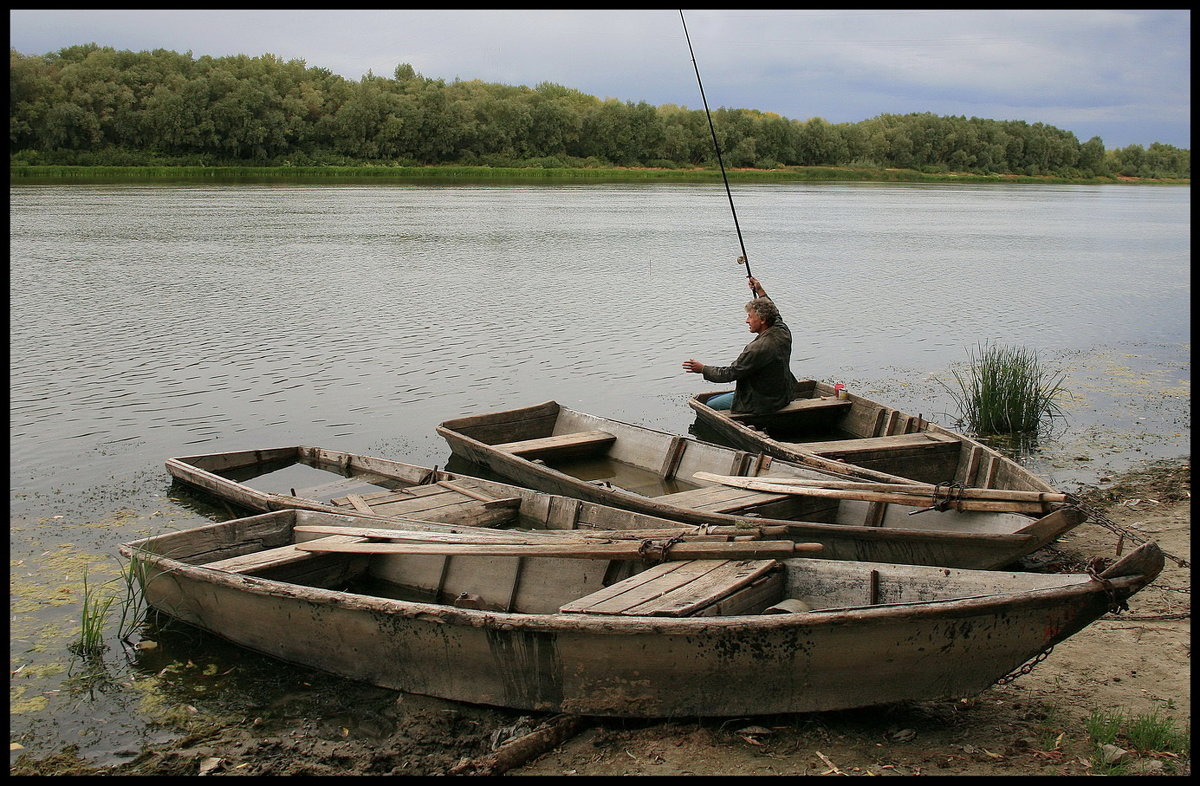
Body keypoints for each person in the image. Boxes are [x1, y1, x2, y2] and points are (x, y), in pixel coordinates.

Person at [682, 276, 797, 414]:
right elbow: (775, 313)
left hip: (763, 402)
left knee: (710, 404)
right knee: (718, 398)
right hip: (783, 395)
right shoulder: (782, 331)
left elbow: (730, 373)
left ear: (762, 320)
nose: (746, 321)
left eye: (750, 316)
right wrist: (759, 290)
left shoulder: (757, 349)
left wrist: (702, 369)